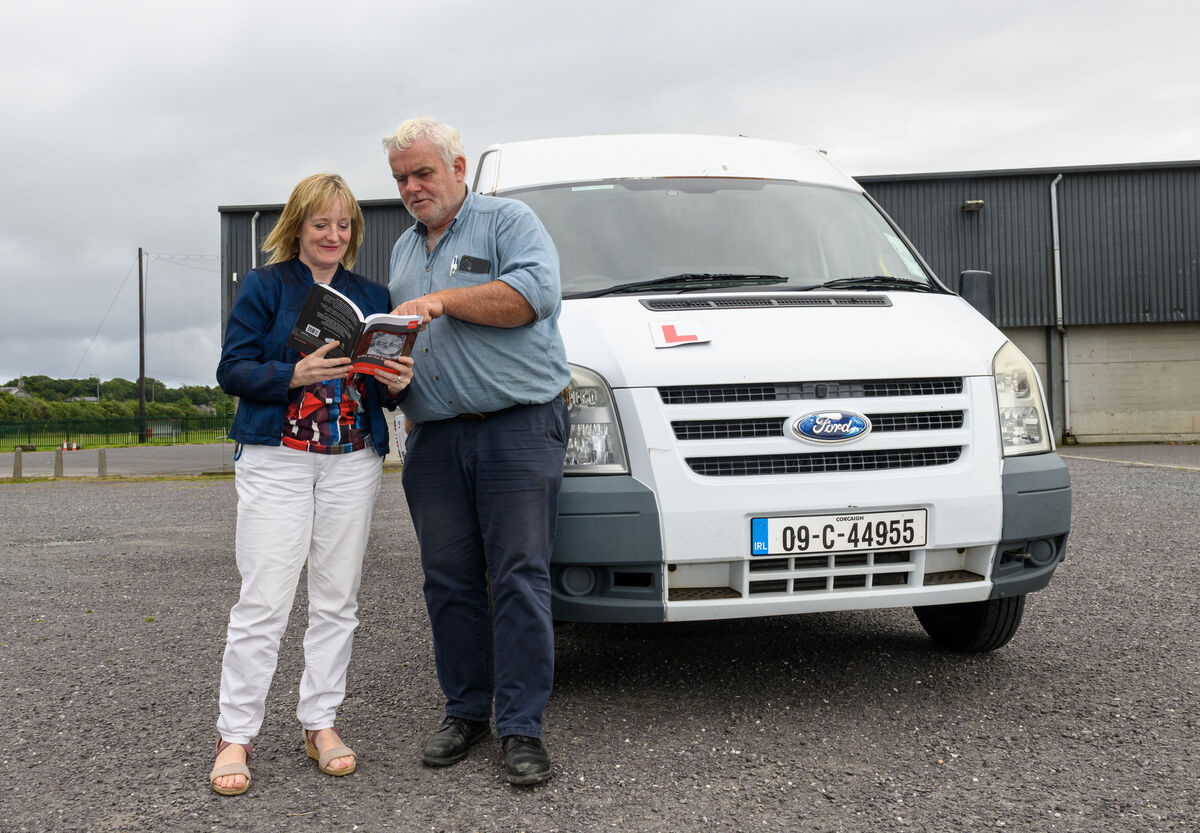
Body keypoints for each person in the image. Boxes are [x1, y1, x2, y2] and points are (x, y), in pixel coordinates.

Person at [209, 173, 414, 795]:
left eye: (344, 224)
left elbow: (375, 382)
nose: (333, 234)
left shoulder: (370, 293)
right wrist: (291, 373)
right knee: (265, 598)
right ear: (297, 226)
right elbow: (232, 369)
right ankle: (235, 734)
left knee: (337, 599)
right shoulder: (266, 288)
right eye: (321, 223)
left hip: (352, 457)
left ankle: (320, 722)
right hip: (278, 456)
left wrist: (395, 382)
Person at [383, 116, 570, 786]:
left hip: (515, 428)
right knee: (448, 579)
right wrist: (389, 376)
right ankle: (465, 710)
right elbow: (404, 343)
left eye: (423, 172)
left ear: (459, 168)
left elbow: (532, 296)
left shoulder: (508, 221)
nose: (411, 187)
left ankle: (521, 728)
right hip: (432, 437)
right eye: (401, 177)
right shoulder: (402, 252)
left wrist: (441, 300)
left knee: (520, 575)